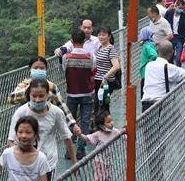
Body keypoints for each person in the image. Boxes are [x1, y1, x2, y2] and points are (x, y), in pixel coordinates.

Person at [7, 56, 81, 137]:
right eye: (35, 68)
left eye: (42, 68)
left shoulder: (51, 87)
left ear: (46, 70)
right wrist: (29, 90)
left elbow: (61, 106)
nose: (39, 70)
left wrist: (73, 124)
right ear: (30, 69)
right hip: (27, 126)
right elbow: (11, 99)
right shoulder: (24, 85)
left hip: (46, 125)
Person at [62, 28, 95, 159]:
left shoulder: (66, 57)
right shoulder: (90, 57)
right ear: (84, 40)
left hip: (72, 94)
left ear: (72, 40)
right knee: (85, 122)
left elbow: (64, 69)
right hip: (87, 93)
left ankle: (69, 151)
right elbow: (93, 69)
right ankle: (81, 150)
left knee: (70, 122)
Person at [78, 111, 124, 181]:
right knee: (100, 178)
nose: (111, 123)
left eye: (111, 120)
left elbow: (122, 135)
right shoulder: (98, 134)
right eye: (108, 122)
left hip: (109, 160)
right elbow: (87, 138)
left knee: (106, 178)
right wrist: (79, 134)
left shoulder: (114, 131)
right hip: (99, 160)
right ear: (102, 125)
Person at [141, 40, 185, 112]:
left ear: (157, 51)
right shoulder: (170, 68)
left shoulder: (148, 65)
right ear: (172, 52)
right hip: (161, 105)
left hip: (146, 106)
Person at [93, 26, 120, 115]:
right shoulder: (100, 48)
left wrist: (105, 78)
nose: (101, 37)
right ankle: (102, 124)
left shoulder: (111, 49)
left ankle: (106, 124)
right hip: (98, 81)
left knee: (103, 104)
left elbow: (116, 66)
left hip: (106, 82)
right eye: (99, 35)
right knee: (100, 103)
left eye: (103, 35)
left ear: (109, 36)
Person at [163, 0, 185, 66]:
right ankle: (170, 70)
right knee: (169, 57)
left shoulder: (184, 16)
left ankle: (178, 69)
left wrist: (183, 39)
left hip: (179, 38)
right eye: (179, 7)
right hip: (170, 36)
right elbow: (164, 23)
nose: (180, 9)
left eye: (182, 8)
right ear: (176, 6)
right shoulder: (169, 13)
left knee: (178, 58)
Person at [138, 26, 157, 97]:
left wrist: (149, 63)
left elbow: (154, 55)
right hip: (147, 73)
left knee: (144, 94)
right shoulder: (149, 44)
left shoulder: (147, 46)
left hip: (146, 73)